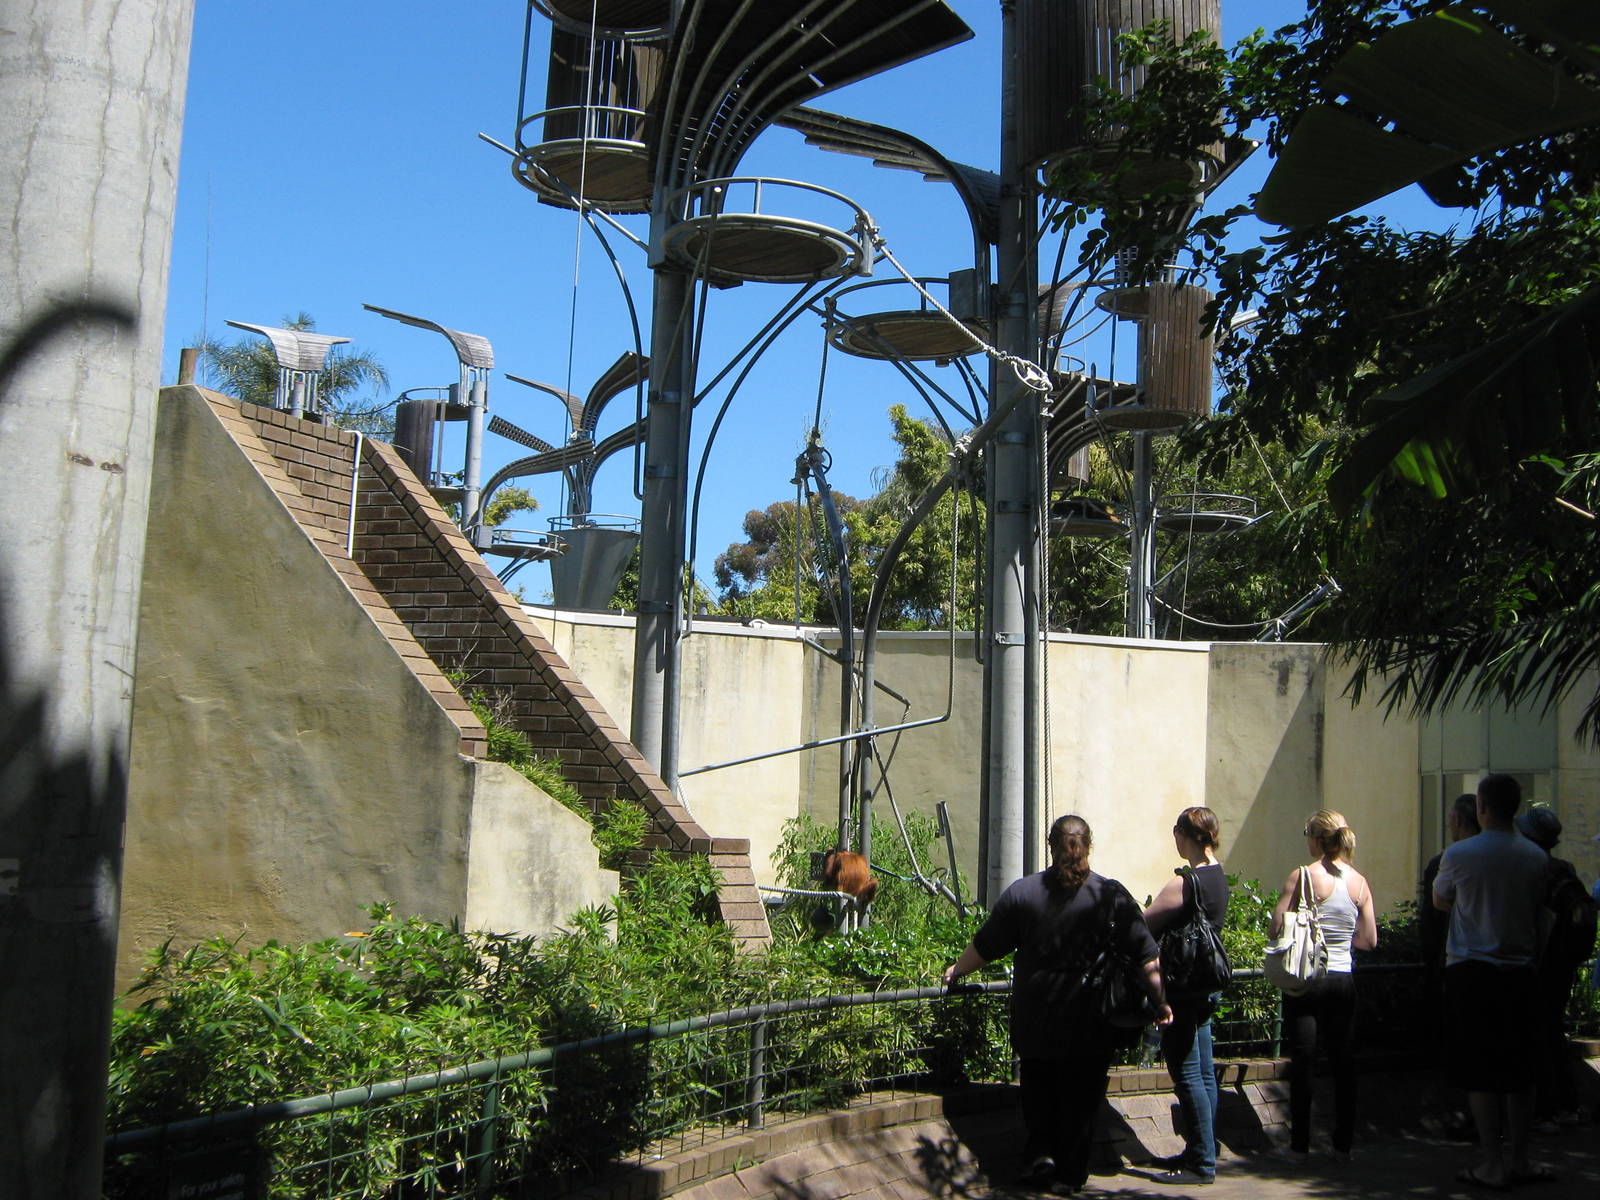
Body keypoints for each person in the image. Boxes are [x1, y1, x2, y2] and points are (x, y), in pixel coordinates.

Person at [945, 815, 1173, 1195]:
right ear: (1089, 845)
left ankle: (1039, 1157)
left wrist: (957, 970)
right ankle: (1069, 1175)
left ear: (1050, 846)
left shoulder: (1024, 894)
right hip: (1092, 1021)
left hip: (1036, 1017)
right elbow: (1147, 957)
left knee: (1038, 1091)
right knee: (1082, 1100)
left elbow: (986, 945)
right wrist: (1161, 1001)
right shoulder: (1111, 896)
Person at [1433, 774, 1555, 1189]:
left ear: (1481, 806)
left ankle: (1491, 1162)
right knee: (1521, 1072)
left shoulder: (1460, 854)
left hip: (1472, 971)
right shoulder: (1535, 857)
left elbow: (1440, 899)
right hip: (1521, 972)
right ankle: (1520, 1158)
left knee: (1480, 1072)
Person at [1269, 809, 1378, 1160]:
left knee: (1303, 1062)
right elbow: (1369, 940)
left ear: (1316, 839)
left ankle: (1299, 1146)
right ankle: (1343, 1144)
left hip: (1307, 978)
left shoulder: (1302, 876)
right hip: (1343, 979)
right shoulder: (1359, 882)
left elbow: (1276, 928)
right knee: (1343, 1060)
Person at [1140, 806, 1230, 1185]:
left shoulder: (1186, 882)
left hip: (1184, 988)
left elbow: (1143, 924)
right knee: (1205, 1073)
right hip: (1207, 986)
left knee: (1188, 1073)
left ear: (1185, 835)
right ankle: (1201, 1150)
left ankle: (1201, 1165)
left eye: (1176, 833)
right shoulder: (1218, 876)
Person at [1514, 805, 1593, 1130]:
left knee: (1536, 1035)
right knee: (1553, 1031)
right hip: (1564, 962)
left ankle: (1545, 1109)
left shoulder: (1532, 870)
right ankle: (1568, 1104)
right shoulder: (1565, 869)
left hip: (1538, 962)